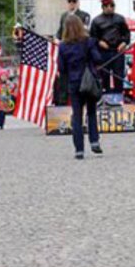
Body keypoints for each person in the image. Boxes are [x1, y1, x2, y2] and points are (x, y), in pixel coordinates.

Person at [57, 13, 103, 159]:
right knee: (91, 112)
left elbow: (61, 68)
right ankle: (94, 141)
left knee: (77, 116)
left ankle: (79, 150)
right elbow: (98, 58)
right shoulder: (88, 42)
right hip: (88, 81)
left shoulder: (62, 46)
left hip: (74, 83)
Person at [90, 0, 130, 93]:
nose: (110, 8)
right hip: (104, 52)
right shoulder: (96, 21)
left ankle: (119, 95)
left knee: (119, 75)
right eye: (107, 6)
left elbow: (126, 33)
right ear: (103, 7)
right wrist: (99, 42)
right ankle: (105, 95)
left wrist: (124, 43)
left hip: (118, 51)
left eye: (112, 5)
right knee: (104, 76)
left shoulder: (120, 19)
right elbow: (92, 37)